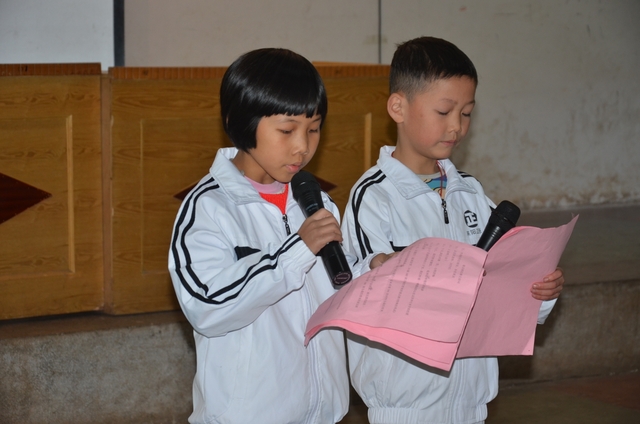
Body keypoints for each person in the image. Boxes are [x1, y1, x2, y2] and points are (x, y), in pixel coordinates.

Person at [340, 36, 565, 424]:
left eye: (466, 113)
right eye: (444, 111)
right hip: (405, 403)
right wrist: (390, 268)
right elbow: (356, 290)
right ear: (398, 107)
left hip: (471, 401)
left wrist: (539, 290)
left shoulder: (471, 194)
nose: (456, 126)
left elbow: (506, 285)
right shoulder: (374, 197)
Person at [168, 48, 359, 424]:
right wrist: (296, 252)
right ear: (241, 122)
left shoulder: (318, 204)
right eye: (287, 130)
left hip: (323, 414)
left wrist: (376, 270)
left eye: (314, 128)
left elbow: (342, 287)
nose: (303, 146)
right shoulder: (209, 208)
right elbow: (206, 305)